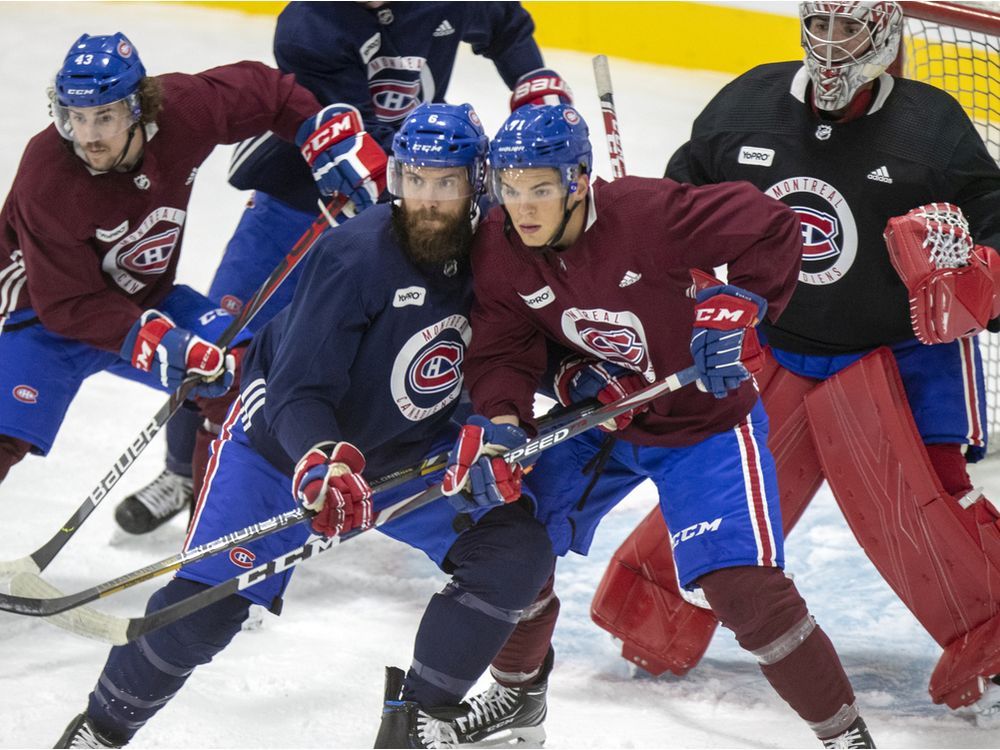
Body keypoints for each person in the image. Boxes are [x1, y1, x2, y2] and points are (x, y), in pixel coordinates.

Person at [56, 103, 557, 750]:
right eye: (414, 180)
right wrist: (321, 458)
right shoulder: (355, 257)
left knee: (516, 554)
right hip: (282, 444)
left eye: (446, 183)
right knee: (204, 614)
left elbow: (525, 346)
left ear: (479, 184)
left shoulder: (503, 253)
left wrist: (564, 389)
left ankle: (418, 720)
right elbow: (298, 391)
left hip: (412, 449)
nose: (426, 200)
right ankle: (100, 730)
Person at [590, 0, 1000, 725]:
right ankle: (652, 611)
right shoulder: (747, 105)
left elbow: (992, 231)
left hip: (895, 355)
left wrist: (973, 272)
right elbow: (680, 208)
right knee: (727, 490)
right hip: (778, 342)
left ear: (884, 36)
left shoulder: (931, 128)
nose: (833, 46)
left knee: (925, 509)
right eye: (822, 26)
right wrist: (665, 270)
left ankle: (993, 638)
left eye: (852, 29)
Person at [443, 102, 876, 748]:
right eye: (510, 189)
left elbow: (773, 227)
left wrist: (739, 303)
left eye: (540, 188)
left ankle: (845, 737)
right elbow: (503, 351)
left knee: (743, 591)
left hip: (701, 421)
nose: (523, 207)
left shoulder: (649, 215)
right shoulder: (501, 249)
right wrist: (511, 415)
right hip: (604, 423)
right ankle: (515, 698)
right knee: (512, 536)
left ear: (579, 179)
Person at [122, 0, 574, 534]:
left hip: (414, 195)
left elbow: (505, 23)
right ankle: (184, 474)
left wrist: (531, 80)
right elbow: (338, 127)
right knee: (228, 338)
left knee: (415, 331)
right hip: (300, 194)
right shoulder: (310, 23)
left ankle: (368, 463)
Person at [0, 32, 371, 531]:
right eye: (74, 116)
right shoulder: (47, 174)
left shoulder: (184, 110)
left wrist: (323, 135)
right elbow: (69, 303)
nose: (87, 135)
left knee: (242, 378)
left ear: (139, 110)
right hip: (43, 316)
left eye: (104, 116)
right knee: (4, 433)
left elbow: (269, 92)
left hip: (148, 300)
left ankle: (208, 549)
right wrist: (156, 341)